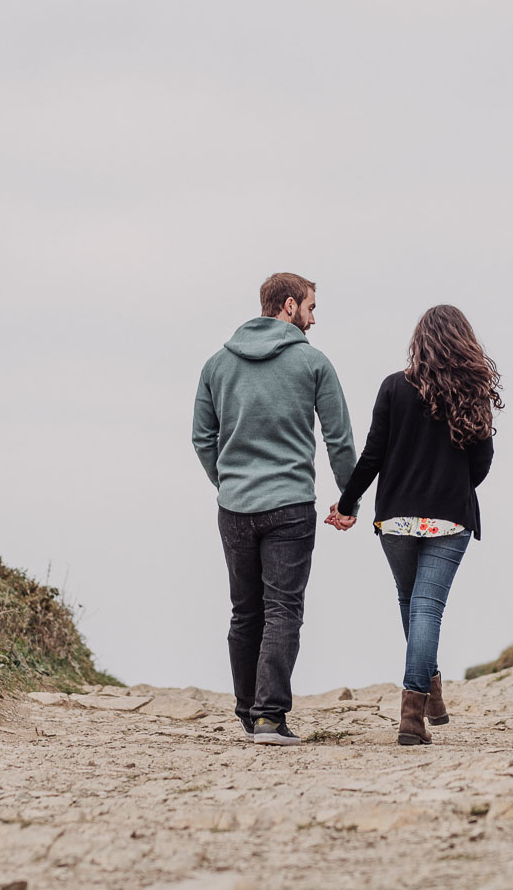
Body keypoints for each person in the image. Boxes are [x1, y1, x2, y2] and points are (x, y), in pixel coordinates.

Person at [193, 272, 356, 746]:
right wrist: (348, 499)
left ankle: (248, 713)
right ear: (289, 305)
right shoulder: (313, 362)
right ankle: (268, 718)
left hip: (234, 506)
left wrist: (227, 483)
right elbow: (339, 439)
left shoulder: (216, 364)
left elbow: (203, 437)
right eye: (310, 307)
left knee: (244, 612)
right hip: (289, 504)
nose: (312, 316)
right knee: (282, 610)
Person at [330, 304, 501, 746]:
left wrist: (347, 503)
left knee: (412, 603)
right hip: (450, 518)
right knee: (425, 608)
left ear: (419, 341)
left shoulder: (393, 388)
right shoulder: (472, 391)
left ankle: (424, 700)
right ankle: (417, 708)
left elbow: (373, 455)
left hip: (397, 517)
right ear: (464, 341)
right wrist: (452, 484)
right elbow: (482, 462)